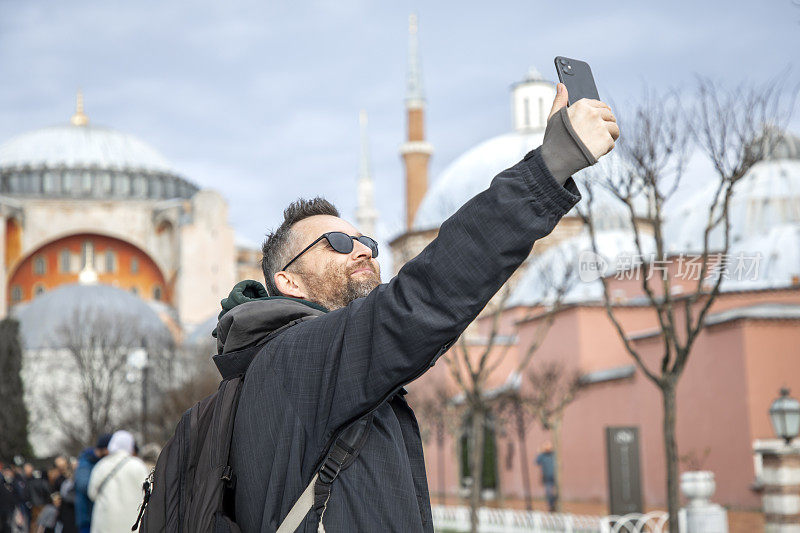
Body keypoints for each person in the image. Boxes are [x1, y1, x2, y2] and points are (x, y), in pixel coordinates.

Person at [220, 84, 618, 531]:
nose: (363, 251)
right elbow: (424, 295)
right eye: (335, 243)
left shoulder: (307, 372)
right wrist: (550, 168)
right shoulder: (293, 358)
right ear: (287, 281)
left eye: (365, 241)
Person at [87, 431, 148, 532]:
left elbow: (92, 494)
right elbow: (147, 494)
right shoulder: (138, 465)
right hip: (132, 524)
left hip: (105, 523)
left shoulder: (101, 465)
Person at [74, 434, 111, 533]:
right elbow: (83, 485)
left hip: (98, 515)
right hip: (87, 517)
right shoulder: (85, 463)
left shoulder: (99, 462)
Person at [536, 441, 557, 512]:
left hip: (555, 477)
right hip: (547, 477)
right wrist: (539, 453)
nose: (548, 448)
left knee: (555, 493)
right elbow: (537, 462)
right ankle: (551, 506)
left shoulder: (554, 455)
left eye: (549, 447)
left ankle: (553, 504)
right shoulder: (542, 456)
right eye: (546, 447)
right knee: (548, 492)